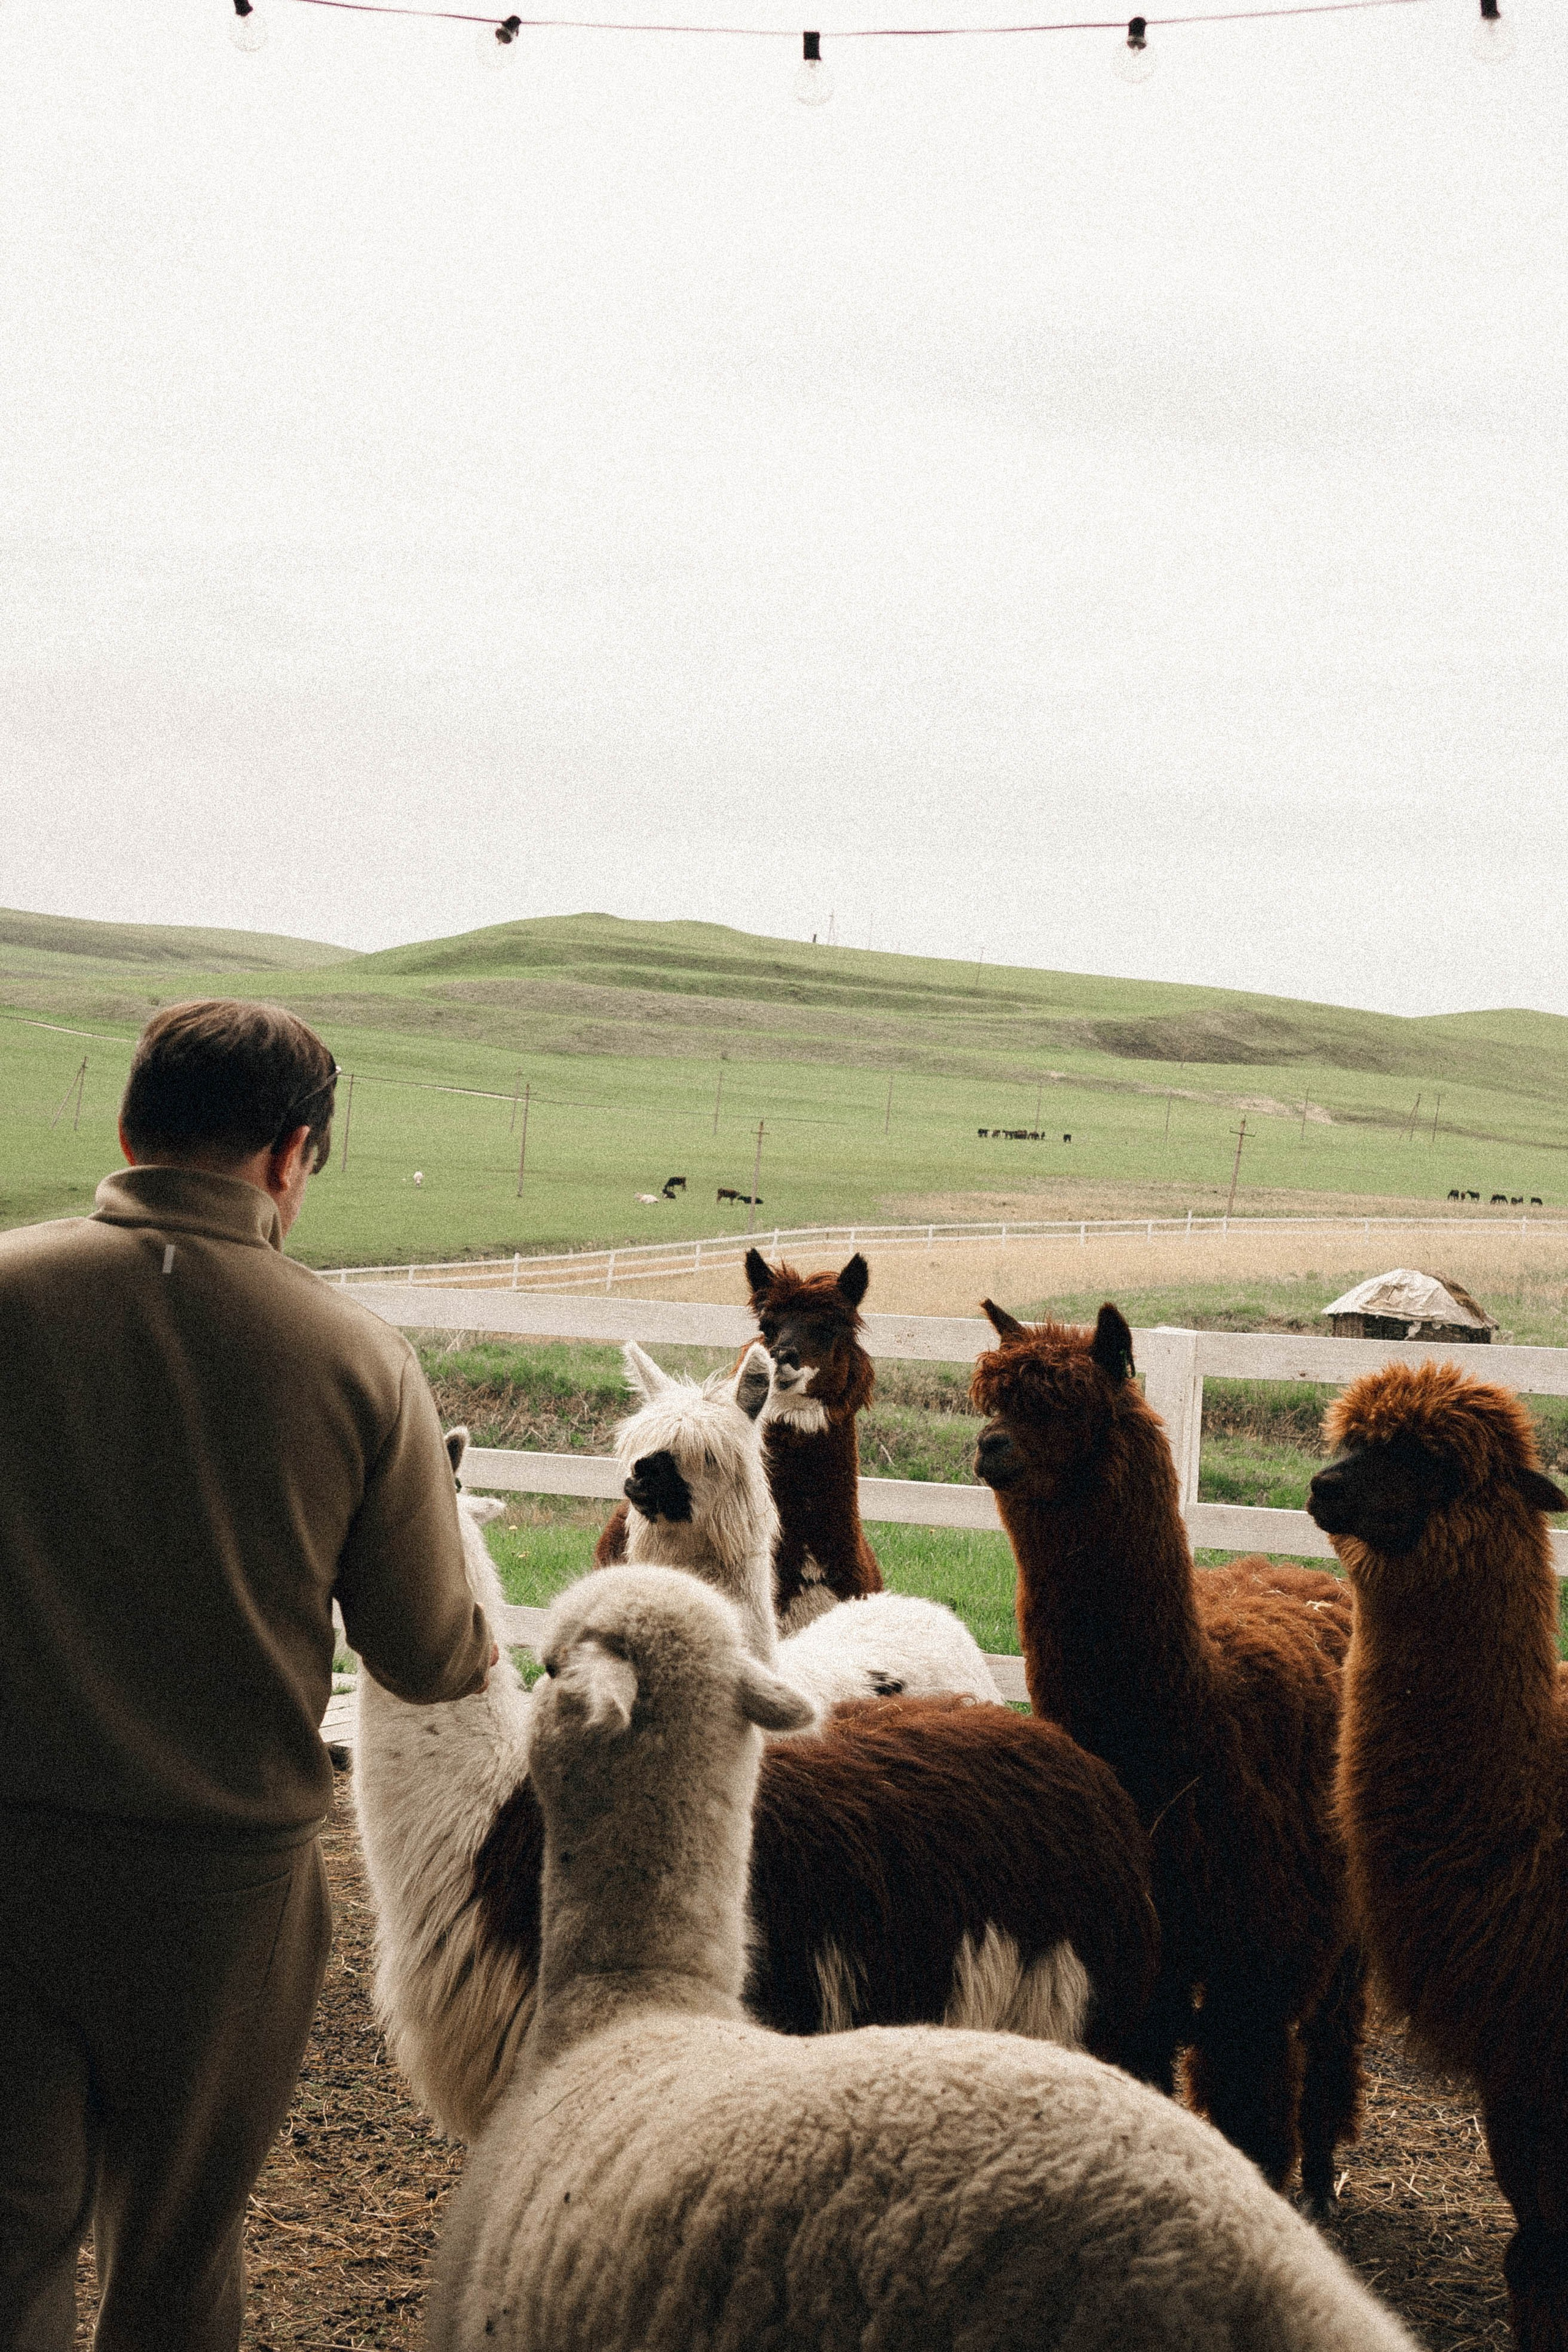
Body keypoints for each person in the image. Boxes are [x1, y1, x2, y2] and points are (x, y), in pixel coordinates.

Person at [0, 1000, 496, 2352]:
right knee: (176, 2256)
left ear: (126, 1125)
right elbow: (429, 1654)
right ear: (290, 1155)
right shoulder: (352, 1358)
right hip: (217, 1894)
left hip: (8, 1857)